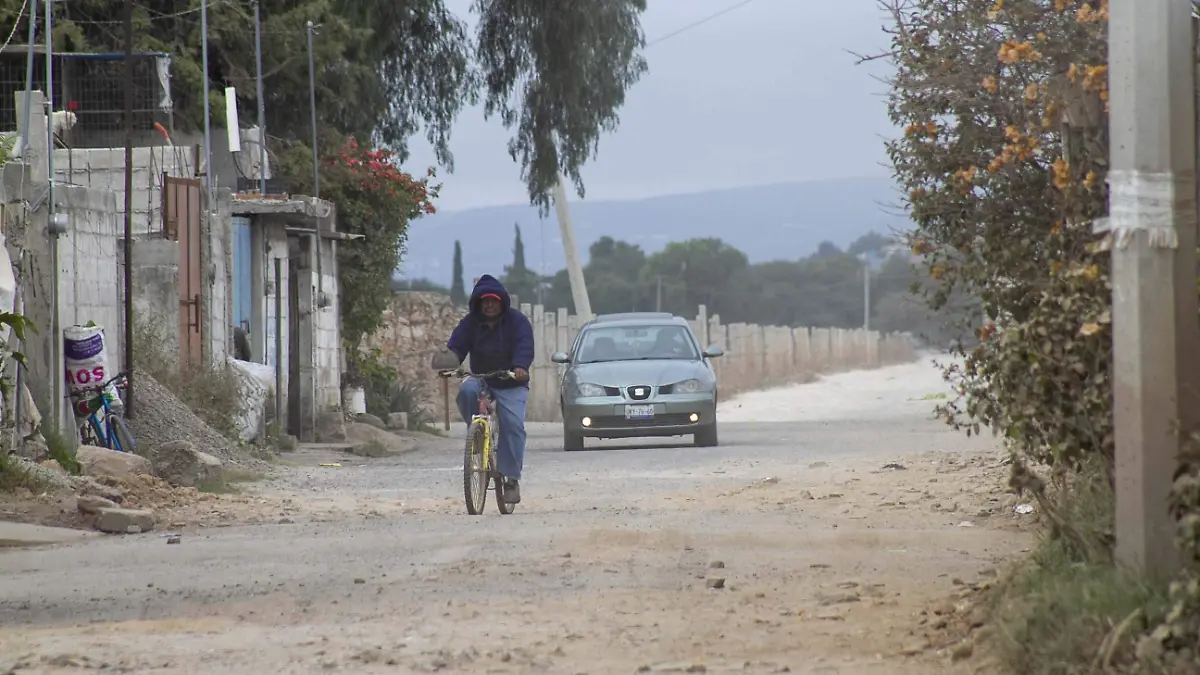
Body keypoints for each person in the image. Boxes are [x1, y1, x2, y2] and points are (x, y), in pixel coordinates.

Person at [438, 274, 534, 503]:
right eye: (485, 301)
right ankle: (478, 435)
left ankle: (511, 478)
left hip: (511, 380)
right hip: (481, 377)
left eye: (493, 300)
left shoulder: (517, 321)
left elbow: (524, 345)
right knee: (467, 391)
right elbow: (457, 346)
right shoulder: (470, 323)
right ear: (478, 303)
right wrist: (448, 363)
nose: (489, 305)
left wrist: (520, 367)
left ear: (501, 301)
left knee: (513, 424)